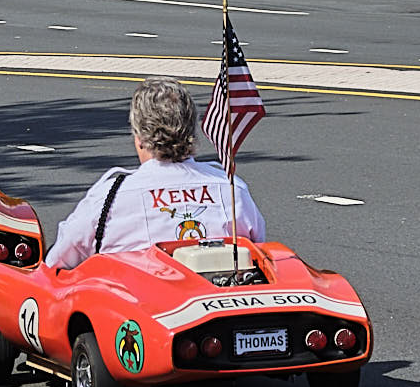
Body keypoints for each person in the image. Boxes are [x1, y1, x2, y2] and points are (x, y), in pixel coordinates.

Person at [44, 77, 266, 270]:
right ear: (190, 129)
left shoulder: (110, 197)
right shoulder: (230, 187)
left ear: (139, 138)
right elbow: (259, 251)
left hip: (135, 312)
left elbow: (57, 262)